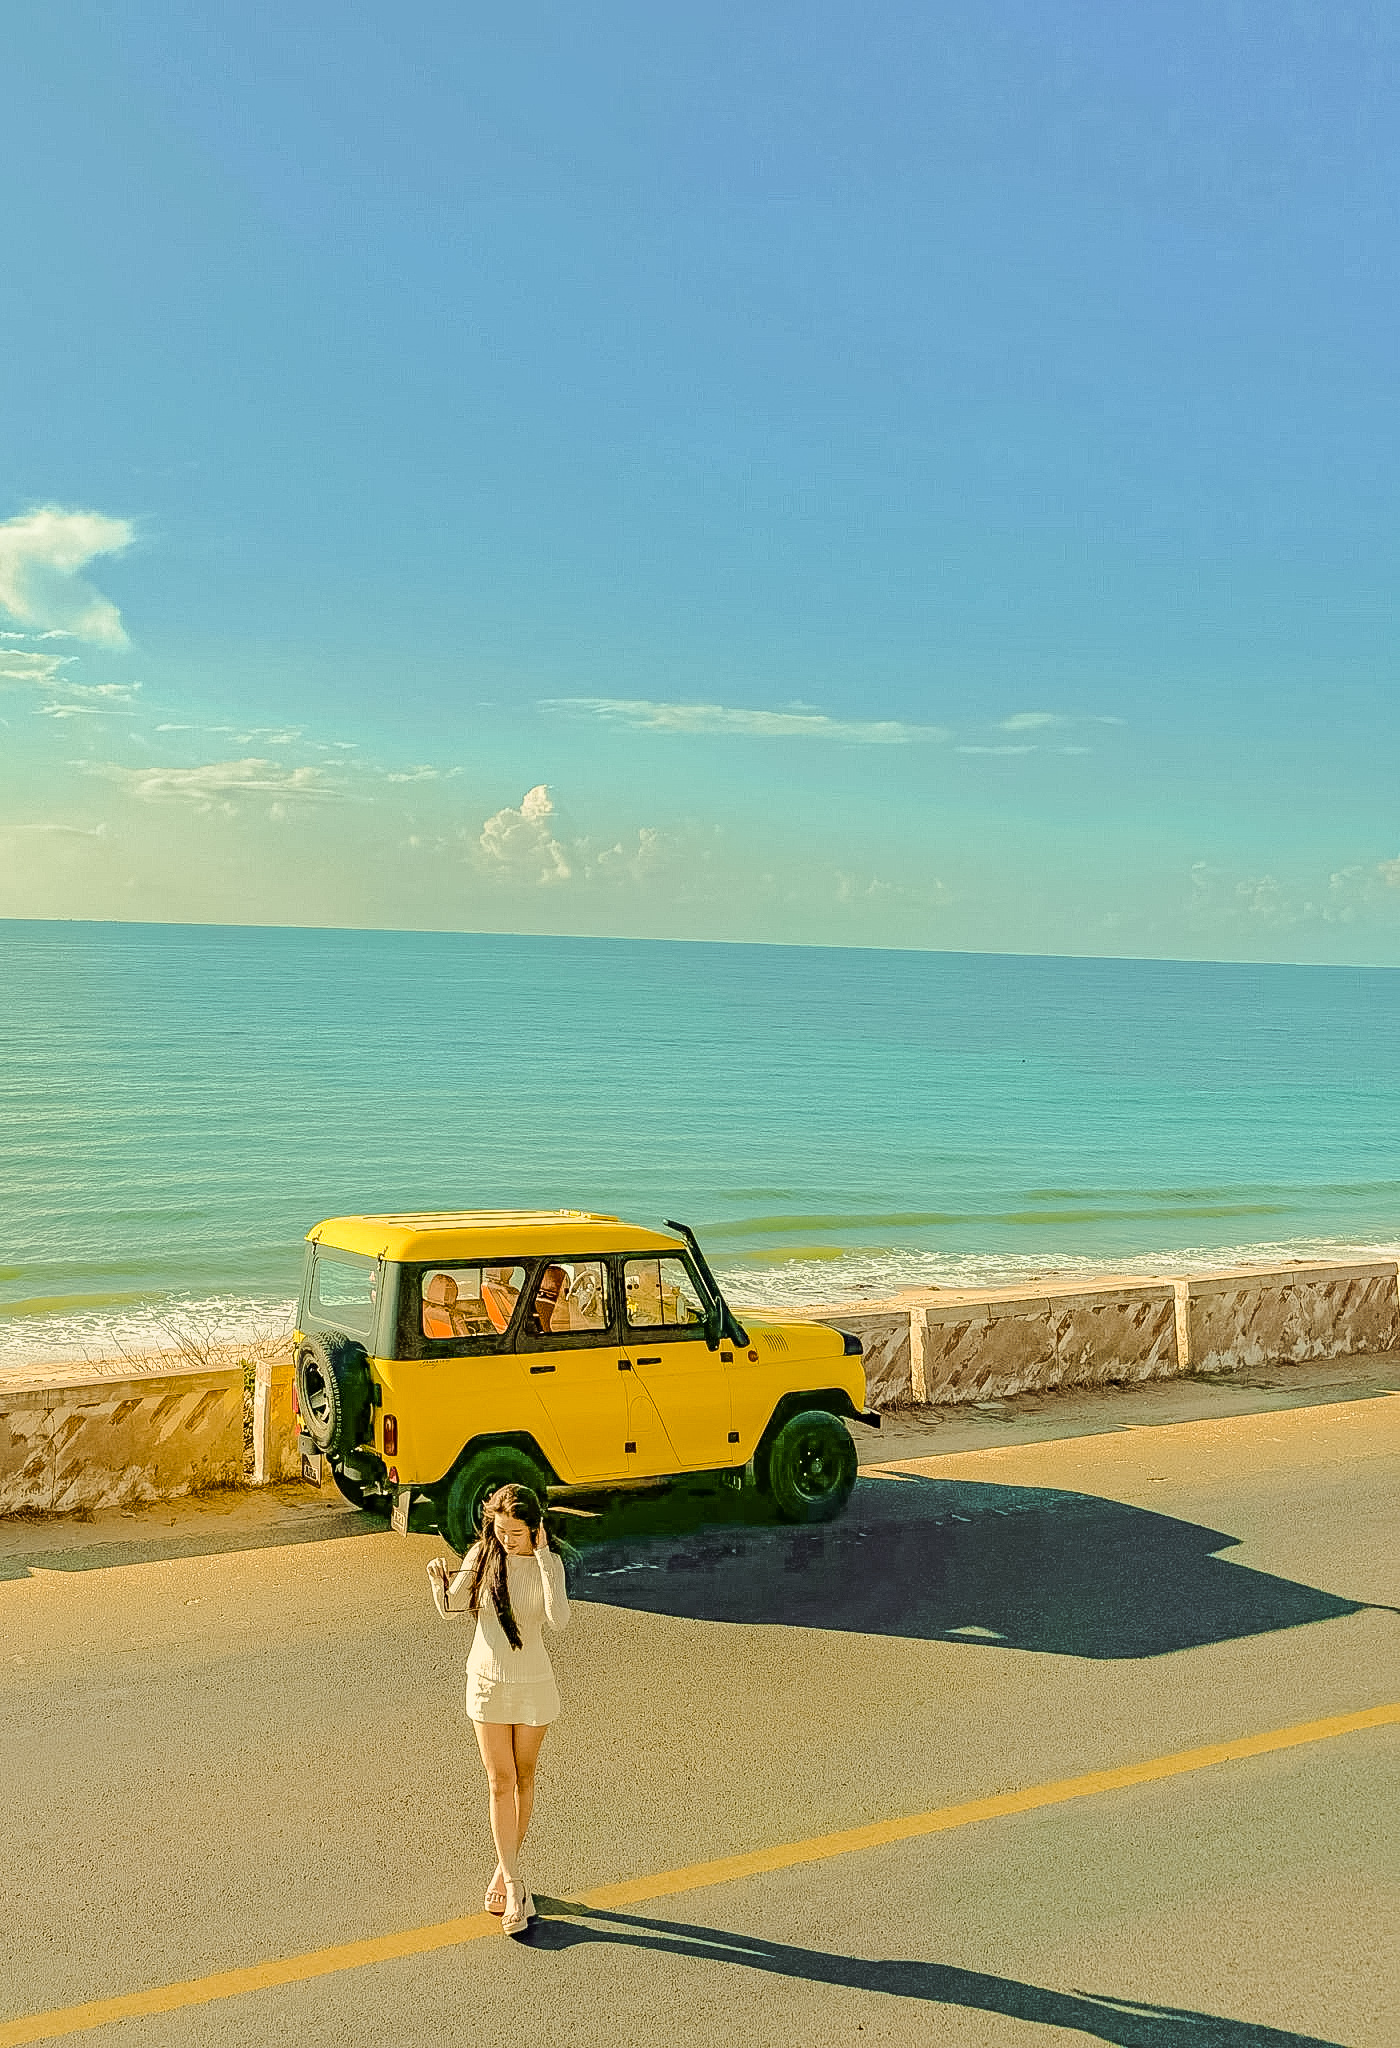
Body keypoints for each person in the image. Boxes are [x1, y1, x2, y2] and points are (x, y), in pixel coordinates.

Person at [426, 1484, 571, 1936]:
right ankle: (514, 1882)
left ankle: (501, 1869)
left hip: (533, 1686)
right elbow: (452, 1609)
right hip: (486, 1684)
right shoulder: (481, 1556)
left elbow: (558, 1617)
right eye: (500, 1530)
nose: (506, 1540)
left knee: (524, 1778)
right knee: (499, 1781)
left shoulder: (547, 1563)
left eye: (516, 1533)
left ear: (536, 1528)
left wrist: (543, 1557)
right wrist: (437, 1582)